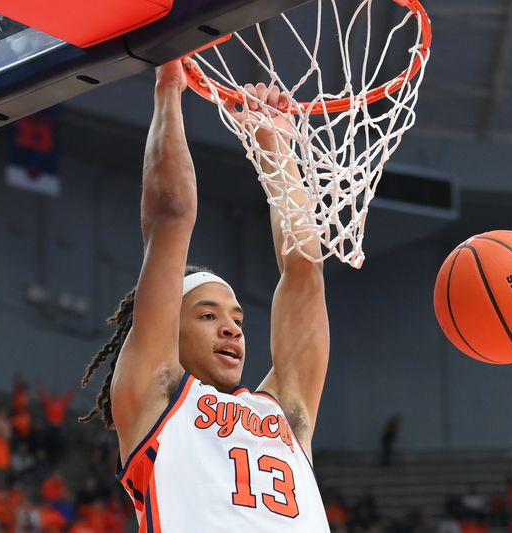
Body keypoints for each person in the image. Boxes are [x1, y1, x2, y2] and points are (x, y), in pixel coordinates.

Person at [79, 60, 330, 531]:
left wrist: (275, 148)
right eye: (207, 315)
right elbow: (171, 216)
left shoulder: (286, 414)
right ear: (165, 330)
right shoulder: (154, 396)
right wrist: (169, 85)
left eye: (236, 318)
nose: (232, 327)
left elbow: (304, 270)